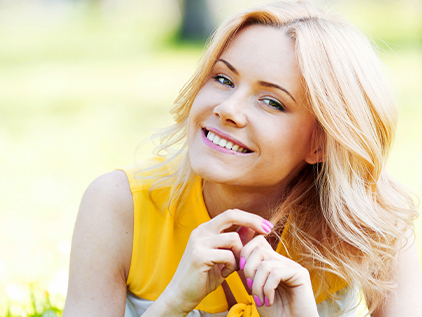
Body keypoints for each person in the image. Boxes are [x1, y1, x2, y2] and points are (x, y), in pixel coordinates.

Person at [63, 1, 422, 316]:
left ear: (322, 143)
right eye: (222, 78)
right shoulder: (119, 204)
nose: (227, 109)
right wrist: (173, 304)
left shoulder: (374, 225)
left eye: (272, 102)